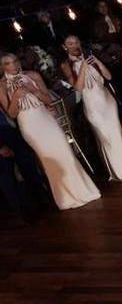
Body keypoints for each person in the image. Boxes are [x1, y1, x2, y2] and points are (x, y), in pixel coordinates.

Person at [0, 53, 100, 210]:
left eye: (15, 61)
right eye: (7, 63)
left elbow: (50, 101)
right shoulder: (2, 85)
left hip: (46, 119)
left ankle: (84, 190)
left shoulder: (32, 75)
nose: (13, 65)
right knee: (48, 160)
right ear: (2, 67)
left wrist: (35, 91)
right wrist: (16, 97)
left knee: (65, 152)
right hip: (29, 126)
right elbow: (11, 115)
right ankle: (65, 198)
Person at [60, 36, 122, 181]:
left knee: (116, 133)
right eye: (70, 44)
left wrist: (98, 63)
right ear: (65, 47)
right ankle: (118, 172)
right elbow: (78, 88)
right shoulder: (66, 65)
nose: (74, 45)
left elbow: (108, 77)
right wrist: (82, 67)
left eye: (76, 42)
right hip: (92, 105)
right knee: (105, 137)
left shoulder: (90, 57)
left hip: (107, 100)